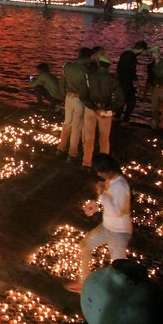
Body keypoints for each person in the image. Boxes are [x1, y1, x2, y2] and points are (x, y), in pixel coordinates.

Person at [66, 153, 133, 293]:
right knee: (85, 244)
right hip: (107, 226)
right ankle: (84, 281)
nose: (99, 175)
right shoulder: (111, 181)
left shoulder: (121, 186)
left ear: (108, 171)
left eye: (100, 172)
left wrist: (102, 194)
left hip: (118, 232)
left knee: (118, 266)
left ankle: (123, 294)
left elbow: (119, 211)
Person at [80, 56, 124, 169]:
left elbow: (83, 96)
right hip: (105, 111)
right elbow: (121, 100)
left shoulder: (89, 77)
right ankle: (103, 165)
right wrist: (108, 108)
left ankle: (86, 163)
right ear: (109, 66)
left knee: (89, 137)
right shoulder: (113, 79)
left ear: (99, 64)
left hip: (90, 109)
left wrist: (94, 108)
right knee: (104, 137)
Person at [58, 47, 92, 163]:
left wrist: (65, 96)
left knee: (67, 123)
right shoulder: (86, 71)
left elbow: (61, 83)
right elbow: (86, 89)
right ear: (88, 57)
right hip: (79, 100)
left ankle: (61, 148)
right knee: (77, 127)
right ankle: (72, 153)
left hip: (68, 97)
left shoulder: (67, 66)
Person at [116, 40, 148, 125]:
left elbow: (119, 68)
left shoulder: (124, 53)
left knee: (122, 100)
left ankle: (117, 117)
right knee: (131, 101)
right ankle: (125, 119)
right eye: (142, 51)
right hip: (127, 82)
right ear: (141, 49)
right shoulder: (132, 57)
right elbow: (132, 71)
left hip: (120, 81)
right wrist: (137, 84)